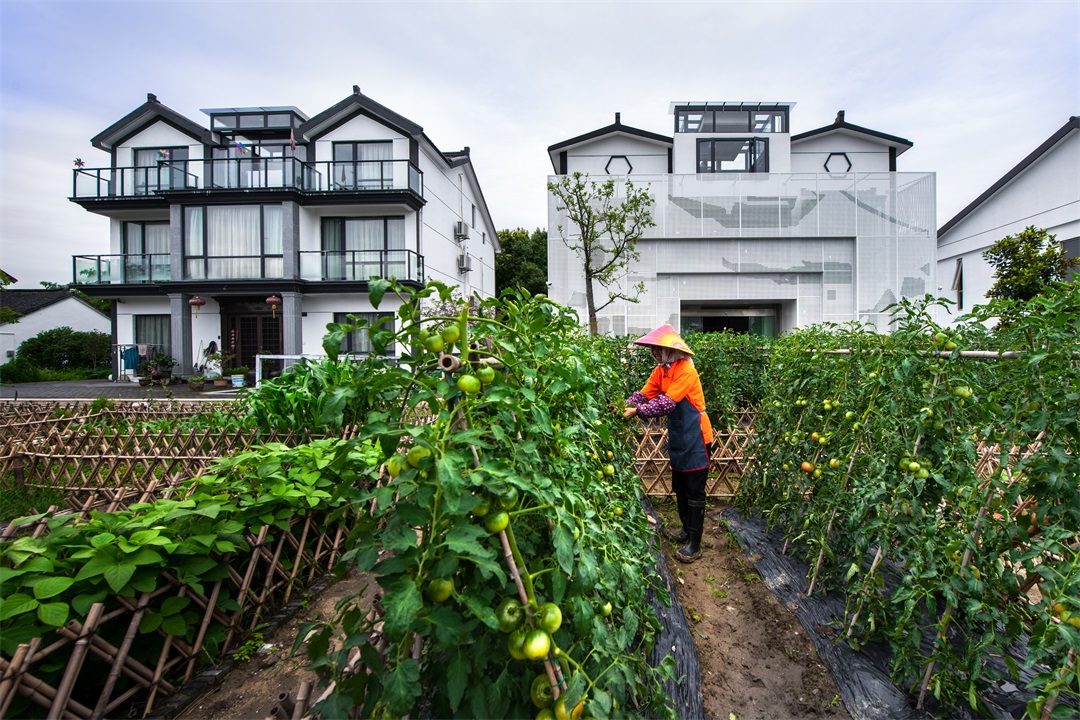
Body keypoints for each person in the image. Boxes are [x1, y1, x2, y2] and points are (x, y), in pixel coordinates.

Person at [620, 325, 713, 562]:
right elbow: (643, 395)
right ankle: (685, 529)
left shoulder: (686, 372)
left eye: (657, 349)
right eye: (653, 350)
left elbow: (667, 404)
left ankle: (695, 543)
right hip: (680, 435)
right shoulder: (660, 372)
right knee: (680, 485)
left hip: (697, 436)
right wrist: (625, 404)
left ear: (670, 351)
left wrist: (637, 412)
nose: (654, 353)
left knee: (694, 489)